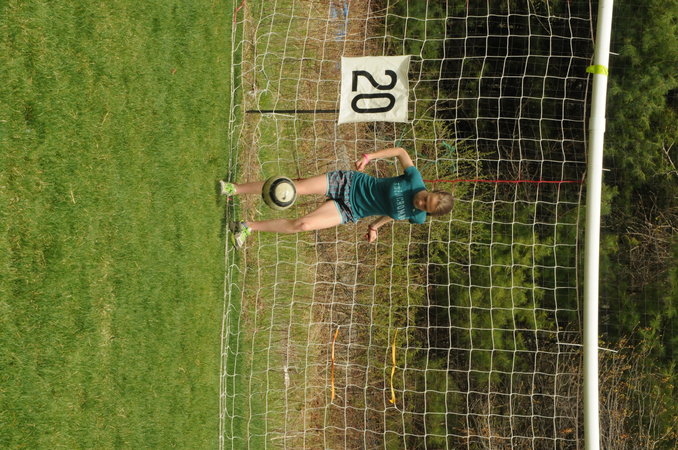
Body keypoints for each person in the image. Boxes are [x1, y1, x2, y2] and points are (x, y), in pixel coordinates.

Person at [220, 147, 454, 247]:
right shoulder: (414, 179)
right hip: (350, 184)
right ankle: (234, 189)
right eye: (426, 198)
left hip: (351, 211)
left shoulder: (417, 217)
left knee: (304, 225)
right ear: (431, 190)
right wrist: (369, 157)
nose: (421, 202)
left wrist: (375, 226)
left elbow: (393, 214)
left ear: (428, 213)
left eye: (425, 206)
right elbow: (401, 152)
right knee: (294, 188)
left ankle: (246, 227)